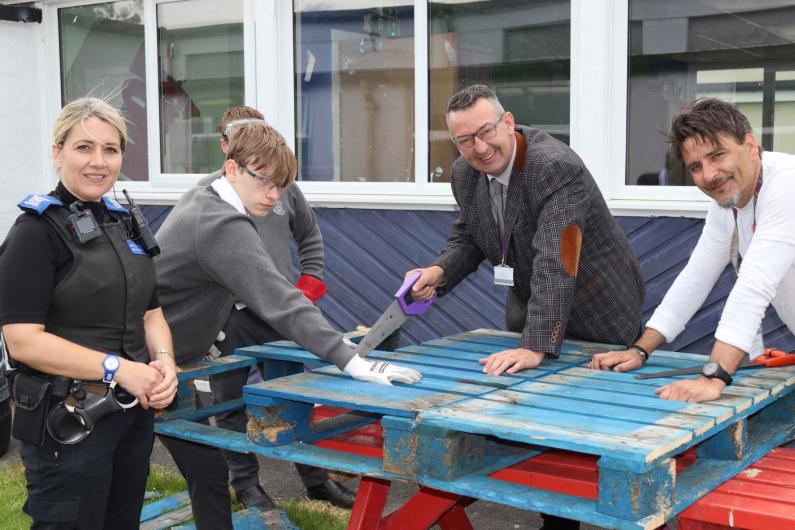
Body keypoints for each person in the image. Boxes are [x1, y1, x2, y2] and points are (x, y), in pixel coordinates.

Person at [155, 120, 421, 529]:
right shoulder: (219, 222)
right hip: (142, 365)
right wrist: (352, 360)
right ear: (231, 170)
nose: (274, 195)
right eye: (265, 182)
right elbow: (279, 300)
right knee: (112, 480)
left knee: (202, 472)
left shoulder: (208, 202)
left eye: (281, 185)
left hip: (167, 362)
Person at [407, 84, 645, 530]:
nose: (479, 148)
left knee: (593, 422)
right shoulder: (464, 174)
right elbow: (469, 236)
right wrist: (438, 274)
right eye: (464, 140)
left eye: (486, 132)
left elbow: (559, 257)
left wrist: (535, 345)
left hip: (598, 303)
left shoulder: (555, 166)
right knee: (538, 416)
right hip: (534, 299)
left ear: (509, 122)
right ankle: (555, 521)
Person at [0, 97, 178, 529]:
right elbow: (22, 340)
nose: (98, 161)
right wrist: (118, 368)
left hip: (130, 415)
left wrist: (165, 365)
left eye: (111, 149)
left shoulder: (124, 223)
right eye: (83, 147)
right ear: (57, 152)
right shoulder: (35, 234)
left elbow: (151, 312)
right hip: (69, 420)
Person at [196, 106, 355, 510]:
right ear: (226, 146)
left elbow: (310, 234)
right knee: (229, 404)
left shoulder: (284, 189)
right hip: (229, 319)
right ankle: (247, 486)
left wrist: (309, 284)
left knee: (294, 397)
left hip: (280, 314)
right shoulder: (208, 196)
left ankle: (316, 480)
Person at [590, 98, 795, 403]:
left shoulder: (786, 183)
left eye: (717, 155)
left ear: (750, 146)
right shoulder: (728, 202)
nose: (709, 175)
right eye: (696, 166)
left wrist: (713, 377)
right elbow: (695, 278)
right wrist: (640, 349)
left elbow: (754, 286)